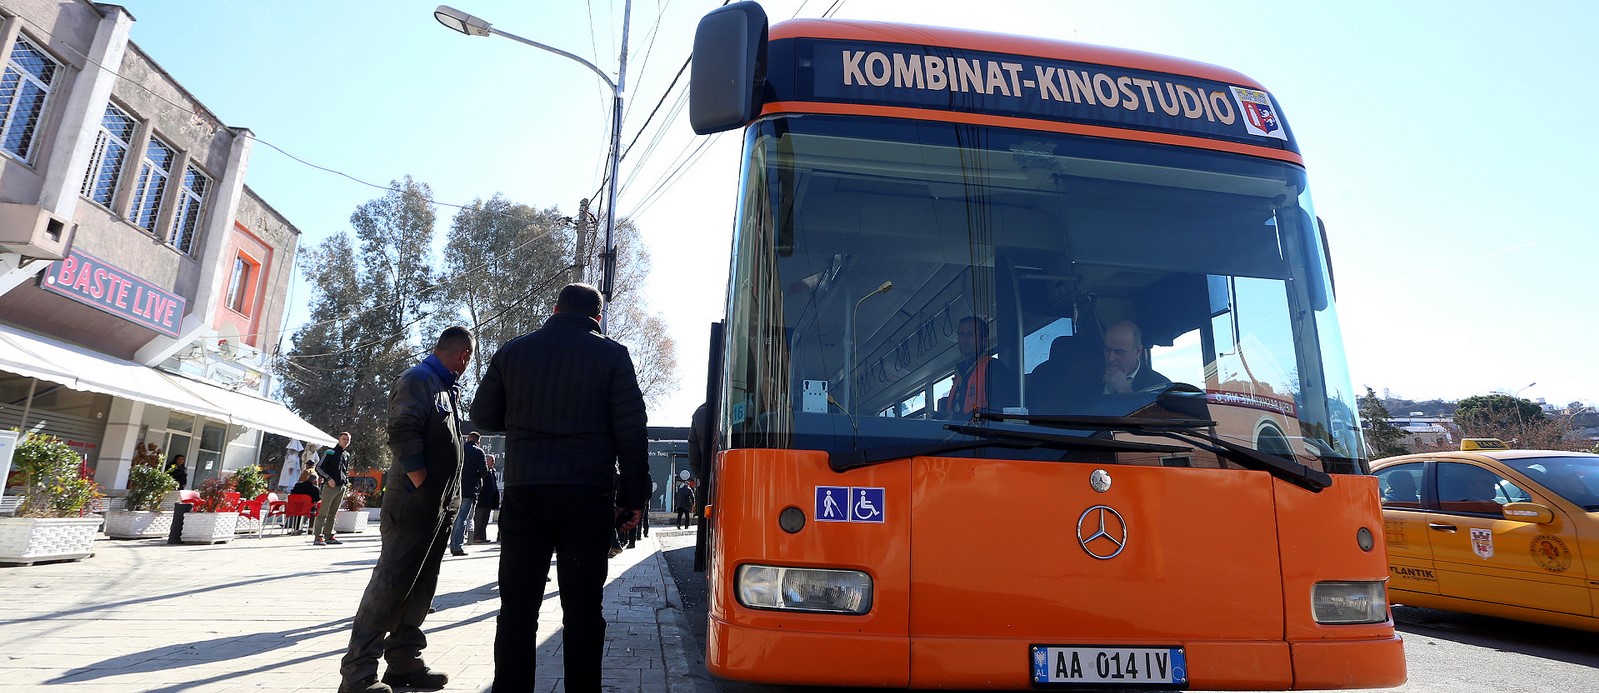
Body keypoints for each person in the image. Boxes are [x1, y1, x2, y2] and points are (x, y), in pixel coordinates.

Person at [470, 283, 649, 692]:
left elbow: (482, 416)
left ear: (554, 308)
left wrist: (525, 418)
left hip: (525, 491)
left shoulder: (513, 351)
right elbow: (632, 433)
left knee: (517, 609)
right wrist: (632, 499)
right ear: (598, 317)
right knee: (584, 610)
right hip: (587, 496)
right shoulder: (612, 355)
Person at [337, 326, 474, 693]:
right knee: (390, 585)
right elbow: (401, 432)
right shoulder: (419, 379)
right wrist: (421, 482)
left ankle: (403, 663)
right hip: (414, 504)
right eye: (468, 358)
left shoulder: (445, 387)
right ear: (463, 355)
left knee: (420, 587)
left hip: (437, 506)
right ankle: (357, 675)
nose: (467, 365)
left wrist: (442, 498)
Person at [941, 315, 1018, 418]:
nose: (965, 339)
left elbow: (1002, 413)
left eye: (970, 334)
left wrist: (957, 417)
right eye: (961, 334)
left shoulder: (993, 368)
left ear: (984, 341)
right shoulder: (961, 373)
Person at [1101, 320, 1170, 394]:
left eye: (1119, 352)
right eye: (1107, 350)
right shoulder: (1090, 375)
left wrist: (1125, 391)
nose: (1110, 358)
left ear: (1138, 351)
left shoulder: (1160, 386)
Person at [450, 432, 490, 556]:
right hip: (469, 489)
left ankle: (452, 544)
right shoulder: (479, 452)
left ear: (468, 439)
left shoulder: (459, 448)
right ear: (478, 441)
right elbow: (484, 472)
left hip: (455, 488)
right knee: (463, 517)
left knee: (455, 517)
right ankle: (457, 546)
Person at [314, 432, 353, 546]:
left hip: (342, 487)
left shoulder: (346, 455)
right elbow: (319, 467)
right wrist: (328, 478)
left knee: (333, 513)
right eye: (343, 439)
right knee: (323, 512)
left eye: (348, 440)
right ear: (339, 439)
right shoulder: (330, 452)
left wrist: (346, 482)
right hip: (330, 487)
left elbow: (345, 470)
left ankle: (329, 536)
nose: (345, 441)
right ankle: (318, 537)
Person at [471, 454, 500, 543]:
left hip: (489, 500)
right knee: (479, 519)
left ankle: (482, 536)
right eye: (492, 461)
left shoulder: (492, 472)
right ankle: (476, 537)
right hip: (481, 500)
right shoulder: (483, 472)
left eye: (494, 461)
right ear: (486, 461)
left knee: (485, 520)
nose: (493, 463)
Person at [289, 469, 322, 534]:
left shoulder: (297, 485)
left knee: (299, 508)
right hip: (308, 508)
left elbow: (292, 494)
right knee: (314, 509)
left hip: (296, 507)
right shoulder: (315, 489)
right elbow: (317, 500)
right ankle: (310, 528)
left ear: (307, 478)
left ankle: (296, 527)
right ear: (315, 481)